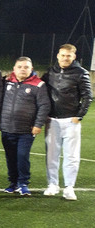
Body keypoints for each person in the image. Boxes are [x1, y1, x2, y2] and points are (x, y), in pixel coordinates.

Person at [41, 44, 92, 200]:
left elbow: (88, 96)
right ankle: (53, 184)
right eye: (62, 55)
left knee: (71, 155)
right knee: (51, 155)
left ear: (73, 57)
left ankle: (69, 187)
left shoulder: (81, 73)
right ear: (58, 55)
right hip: (52, 120)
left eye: (68, 55)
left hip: (71, 121)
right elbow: (38, 85)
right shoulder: (51, 72)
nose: (65, 58)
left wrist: (79, 116)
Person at [0, 57, 50, 196]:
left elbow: (44, 105)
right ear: (14, 69)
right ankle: (13, 182)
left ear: (31, 69)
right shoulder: (6, 82)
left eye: (26, 67)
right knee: (10, 157)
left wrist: (38, 124)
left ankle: (23, 183)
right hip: (7, 128)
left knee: (22, 156)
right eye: (20, 66)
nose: (23, 69)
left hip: (26, 130)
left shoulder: (39, 85)